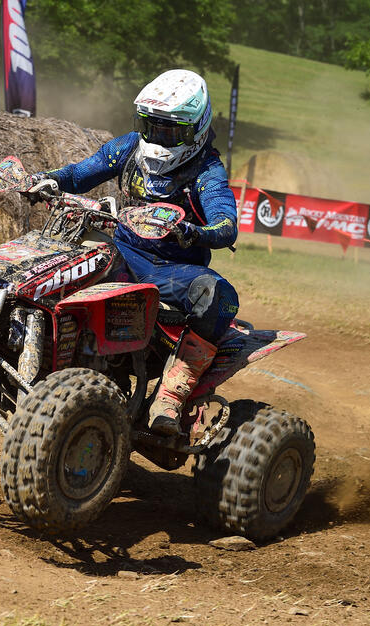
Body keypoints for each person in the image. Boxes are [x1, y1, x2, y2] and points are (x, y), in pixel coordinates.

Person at [31, 69, 239, 436]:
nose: (159, 138)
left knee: (221, 296)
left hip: (172, 269)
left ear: (196, 128)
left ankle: (171, 396)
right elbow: (82, 173)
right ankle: (38, 345)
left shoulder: (208, 171)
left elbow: (226, 226)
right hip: (122, 249)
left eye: (171, 131)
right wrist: (49, 179)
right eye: (152, 126)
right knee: (62, 250)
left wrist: (192, 231)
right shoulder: (129, 146)